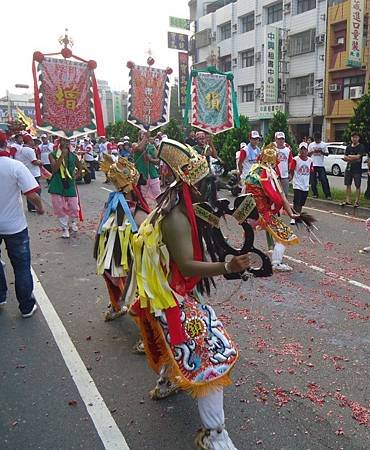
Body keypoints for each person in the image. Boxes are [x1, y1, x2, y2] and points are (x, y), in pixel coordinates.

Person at [129, 139, 250, 448]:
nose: (206, 188)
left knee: (185, 343)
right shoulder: (176, 216)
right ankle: (214, 436)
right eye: (201, 184)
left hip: (169, 293)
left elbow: (214, 223)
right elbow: (186, 263)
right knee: (211, 356)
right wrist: (228, 265)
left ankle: (168, 380)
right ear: (189, 185)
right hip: (170, 298)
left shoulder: (179, 205)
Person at [95, 154, 150, 322]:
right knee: (123, 279)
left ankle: (142, 322)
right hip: (121, 262)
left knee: (134, 284)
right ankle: (120, 307)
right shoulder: (120, 208)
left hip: (125, 263)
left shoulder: (126, 211)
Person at [0, 132, 44, 318]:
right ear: (5, 145)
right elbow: (32, 195)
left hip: (12, 225)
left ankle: (1, 296)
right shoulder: (14, 166)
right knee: (21, 266)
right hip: (14, 226)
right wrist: (40, 208)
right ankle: (26, 306)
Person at [245, 143, 300, 272]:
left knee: (248, 231)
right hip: (263, 213)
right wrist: (290, 213)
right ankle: (276, 263)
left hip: (250, 210)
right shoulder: (269, 174)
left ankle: (244, 252)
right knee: (285, 236)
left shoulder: (253, 169)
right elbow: (280, 197)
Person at [48, 139, 83, 239]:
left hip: (70, 184)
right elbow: (54, 169)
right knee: (59, 208)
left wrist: (76, 175)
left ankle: (73, 222)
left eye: (68, 141)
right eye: (64, 141)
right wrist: (62, 155)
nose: (67, 143)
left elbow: (80, 168)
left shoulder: (73, 156)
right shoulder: (52, 154)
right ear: (59, 142)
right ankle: (64, 229)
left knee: (73, 206)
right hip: (57, 184)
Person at [14, 134, 43, 212]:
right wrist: (40, 162)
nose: (33, 142)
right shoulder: (29, 150)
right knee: (36, 191)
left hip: (27, 172)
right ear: (30, 141)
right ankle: (34, 206)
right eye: (32, 140)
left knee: (29, 190)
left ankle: (31, 207)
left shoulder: (21, 149)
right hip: (33, 172)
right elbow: (34, 162)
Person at [134, 132, 161, 205]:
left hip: (153, 175)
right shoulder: (135, 145)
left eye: (145, 133)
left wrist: (151, 160)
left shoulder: (152, 147)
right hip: (142, 177)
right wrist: (145, 137)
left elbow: (158, 161)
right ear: (139, 136)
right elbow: (139, 149)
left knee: (158, 196)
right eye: (142, 133)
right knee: (142, 198)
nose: (144, 134)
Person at [289, 142, 313, 225]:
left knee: (302, 202)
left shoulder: (310, 160)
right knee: (297, 201)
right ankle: (293, 217)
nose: (303, 151)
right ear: (299, 150)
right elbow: (292, 170)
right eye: (301, 149)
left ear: (307, 150)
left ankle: (298, 215)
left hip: (305, 185)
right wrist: (291, 177)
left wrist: (310, 182)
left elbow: (311, 171)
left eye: (305, 149)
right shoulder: (295, 159)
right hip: (297, 184)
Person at [341, 131, 366, 207]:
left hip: (357, 169)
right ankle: (348, 200)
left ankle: (357, 201)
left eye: (356, 137)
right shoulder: (348, 147)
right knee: (348, 184)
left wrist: (349, 157)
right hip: (349, 168)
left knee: (357, 185)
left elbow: (358, 157)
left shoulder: (361, 146)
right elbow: (345, 157)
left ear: (358, 138)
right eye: (353, 137)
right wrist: (353, 157)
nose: (354, 139)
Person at [308, 132, 331, 200]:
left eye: (318, 139)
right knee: (313, 180)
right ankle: (315, 193)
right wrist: (313, 151)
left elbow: (327, 154)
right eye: (316, 139)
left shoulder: (323, 144)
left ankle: (327, 194)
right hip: (313, 164)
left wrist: (321, 152)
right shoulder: (311, 145)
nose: (317, 141)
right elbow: (308, 154)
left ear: (320, 139)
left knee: (324, 180)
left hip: (321, 164)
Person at [274, 131, 293, 197]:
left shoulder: (288, 150)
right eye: (279, 139)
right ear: (276, 140)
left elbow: (290, 161)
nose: (280, 140)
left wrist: (290, 172)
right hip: (274, 175)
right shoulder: (272, 150)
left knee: (285, 194)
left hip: (285, 175)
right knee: (275, 194)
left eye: (282, 139)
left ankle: (284, 207)